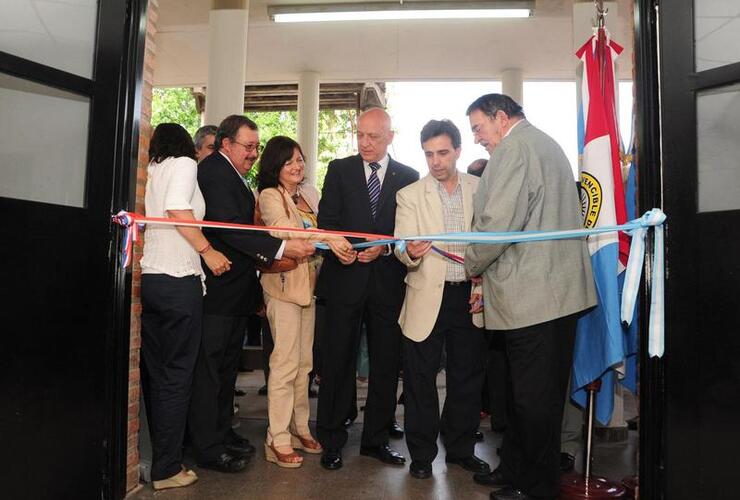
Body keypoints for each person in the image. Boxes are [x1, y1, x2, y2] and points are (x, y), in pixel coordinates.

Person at [464, 94, 596, 500]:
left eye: (479, 129)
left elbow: (497, 225)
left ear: (501, 118)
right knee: (527, 395)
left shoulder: (514, 149)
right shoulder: (543, 142)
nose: (478, 140)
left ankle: (536, 487)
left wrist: (469, 264)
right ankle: (516, 469)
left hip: (535, 298)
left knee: (534, 402)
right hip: (551, 294)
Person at [189, 115, 315, 474]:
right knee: (211, 371)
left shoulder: (236, 177)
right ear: (226, 144)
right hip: (218, 291)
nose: (253, 154)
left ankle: (222, 433)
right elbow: (230, 230)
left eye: (257, 147)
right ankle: (208, 448)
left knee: (227, 370)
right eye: (248, 146)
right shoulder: (214, 171)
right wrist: (280, 251)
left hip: (236, 292)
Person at [316, 108, 419, 471]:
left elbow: (408, 233)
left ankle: (375, 440)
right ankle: (330, 438)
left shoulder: (408, 177)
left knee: (387, 363)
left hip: (387, 283)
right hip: (344, 280)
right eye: (360, 135)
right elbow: (325, 224)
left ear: (391, 136)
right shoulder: (339, 169)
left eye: (373, 136)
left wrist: (386, 247)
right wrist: (340, 245)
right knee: (336, 361)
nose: (364, 143)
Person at [394, 119, 489, 480]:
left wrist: (482, 286)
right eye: (429, 154)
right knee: (420, 381)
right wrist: (411, 252)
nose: (435, 161)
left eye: (443, 152)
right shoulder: (409, 195)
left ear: (459, 151)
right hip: (426, 298)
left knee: (467, 378)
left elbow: (490, 243)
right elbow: (400, 245)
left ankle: (461, 450)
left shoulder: (481, 189)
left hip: (469, 296)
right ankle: (421, 454)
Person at [139, 123, 231, 490]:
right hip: (179, 281)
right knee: (178, 377)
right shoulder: (184, 165)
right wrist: (209, 251)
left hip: (152, 280)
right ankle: (167, 469)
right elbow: (179, 211)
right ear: (186, 146)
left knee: (161, 376)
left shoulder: (155, 170)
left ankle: (164, 460)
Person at [256, 136, 354, 468]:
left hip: (308, 290)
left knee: (304, 365)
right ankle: (277, 437)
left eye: (300, 159)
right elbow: (283, 231)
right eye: (289, 162)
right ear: (275, 167)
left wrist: (336, 241)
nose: (297, 166)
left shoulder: (308, 196)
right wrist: (327, 237)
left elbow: (322, 231)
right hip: (282, 289)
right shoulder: (270, 196)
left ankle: (299, 427)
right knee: (284, 366)